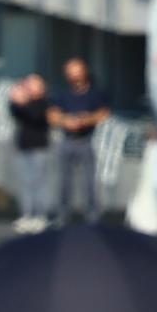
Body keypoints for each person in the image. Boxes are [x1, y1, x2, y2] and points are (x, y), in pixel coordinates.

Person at [48, 59, 109, 226]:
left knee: (89, 180)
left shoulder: (95, 93)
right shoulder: (62, 93)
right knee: (63, 181)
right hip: (67, 139)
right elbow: (52, 115)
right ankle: (63, 215)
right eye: (70, 72)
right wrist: (66, 120)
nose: (73, 76)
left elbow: (104, 112)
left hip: (87, 140)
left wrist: (86, 120)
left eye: (76, 71)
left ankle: (92, 215)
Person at [7, 74, 52, 229]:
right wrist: (15, 99)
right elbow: (15, 112)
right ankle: (27, 214)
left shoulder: (43, 102)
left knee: (38, 182)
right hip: (23, 145)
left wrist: (23, 101)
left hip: (39, 147)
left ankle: (41, 215)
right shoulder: (24, 103)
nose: (29, 88)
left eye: (33, 85)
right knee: (25, 183)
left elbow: (35, 115)